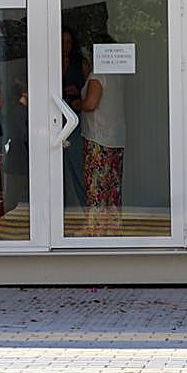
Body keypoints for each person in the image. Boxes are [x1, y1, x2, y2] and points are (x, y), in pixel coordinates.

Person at [78, 33, 126, 235]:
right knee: (113, 186)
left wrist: (74, 103)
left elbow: (90, 104)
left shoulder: (98, 76)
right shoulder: (116, 75)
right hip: (116, 137)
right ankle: (112, 227)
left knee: (96, 185)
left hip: (98, 138)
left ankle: (94, 228)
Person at [61, 27, 89, 206]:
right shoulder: (48, 60)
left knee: (78, 167)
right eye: (62, 41)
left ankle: (86, 213)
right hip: (53, 118)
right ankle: (57, 215)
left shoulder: (81, 63)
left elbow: (91, 92)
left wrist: (78, 92)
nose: (65, 46)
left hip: (75, 119)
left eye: (69, 42)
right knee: (56, 170)